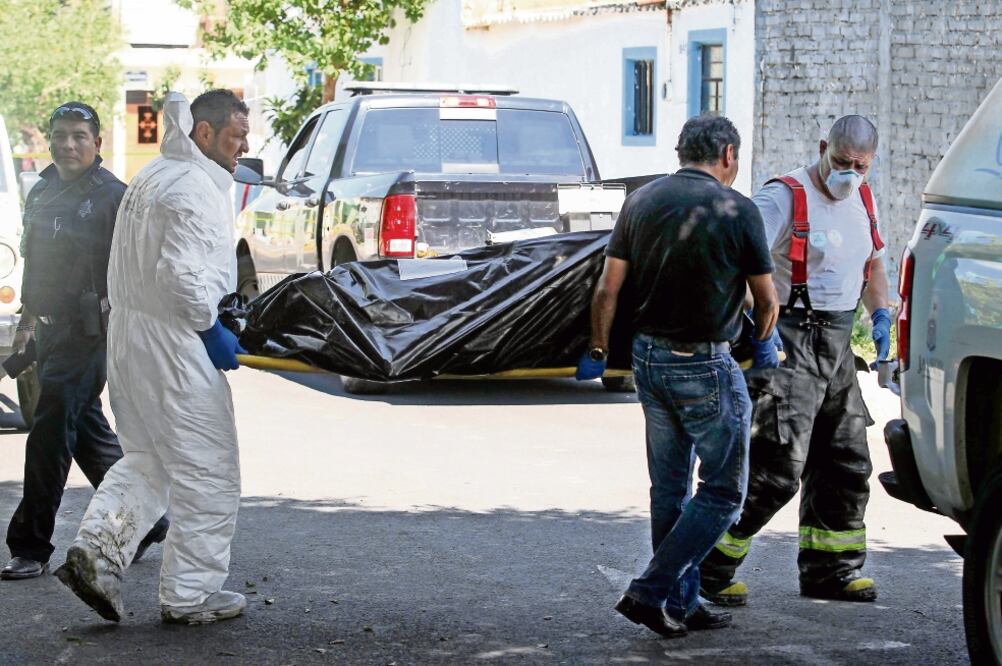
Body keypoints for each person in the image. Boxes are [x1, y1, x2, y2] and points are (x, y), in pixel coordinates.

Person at [577, 114, 779, 637]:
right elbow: (767, 301)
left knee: (669, 487)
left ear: (680, 151)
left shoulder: (640, 202)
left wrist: (599, 348)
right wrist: (763, 341)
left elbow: (606, 290)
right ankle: (652, 589)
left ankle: (680, 602)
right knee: (723, 492)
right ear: (728, 155)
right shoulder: (739, 209)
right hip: (705, 363)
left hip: (648, 361)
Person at [53, 90, 249, 625]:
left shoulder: (153, 175)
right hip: (174, 344)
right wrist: (210, 330)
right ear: (204, 134)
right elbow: (181, 276)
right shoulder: (194, 189)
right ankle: (190, 596)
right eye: (236, 137)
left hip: (131, 339)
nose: (244, 147)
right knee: (208, 472)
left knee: (147, 461)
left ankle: (97, 553)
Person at [699, 115, 891, 604]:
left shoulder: (863, 198)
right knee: (774, 467)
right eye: (842, 161)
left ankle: (832, 571)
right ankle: (708, 570)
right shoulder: (784, 197)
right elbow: (736, 260)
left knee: (846, 460)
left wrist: (882, 312)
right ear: (824, 146)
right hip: (791, 341)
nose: (849, 173)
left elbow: (873, 265)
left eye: (860, 165)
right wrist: (758, 328)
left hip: (839, 345)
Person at [2, 102, 168, 581]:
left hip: (93, 334)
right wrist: (28, 326)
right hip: (51, 331)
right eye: (59, 135)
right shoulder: (43, 189)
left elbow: (141, 266)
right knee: (86, 432)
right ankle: (148, 523)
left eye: (78, 135)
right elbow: (36, 262)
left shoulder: (115, 196)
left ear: (97, 143)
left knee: (50, 432)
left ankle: (30, 546)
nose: (67, 144)